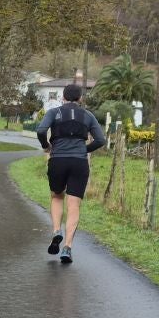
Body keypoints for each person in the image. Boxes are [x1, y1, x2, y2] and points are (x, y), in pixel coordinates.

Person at [35, 84, 107, 264]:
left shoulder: (54, 113)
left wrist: (46, 146)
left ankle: (56, 231)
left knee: (57, 196)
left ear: (63, 97)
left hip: (58, 160)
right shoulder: (88, 115)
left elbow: (41, 130)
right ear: (80, 98)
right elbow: (101, 140)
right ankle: (67, 248)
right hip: (79, 162)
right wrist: (85, 149)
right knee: (74, 204)